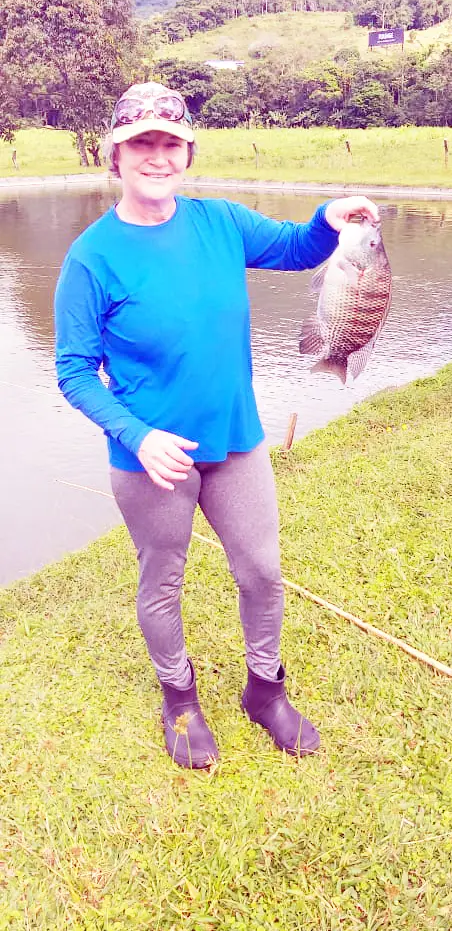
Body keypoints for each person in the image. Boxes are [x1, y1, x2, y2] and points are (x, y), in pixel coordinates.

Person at [54, 81, 380, 770]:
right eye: (141, 142)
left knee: (262, 570)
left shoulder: (221, 224)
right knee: (162, 581)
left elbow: (297, 248)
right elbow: (75, 371)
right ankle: (179, 700)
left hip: (236, 441)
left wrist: (327, 217)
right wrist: (138, 435)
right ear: (116, 154)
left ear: (188, 153)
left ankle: (266, 690)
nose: (157, 156)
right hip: (151, 460)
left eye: (170, 142)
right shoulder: (91, 257)